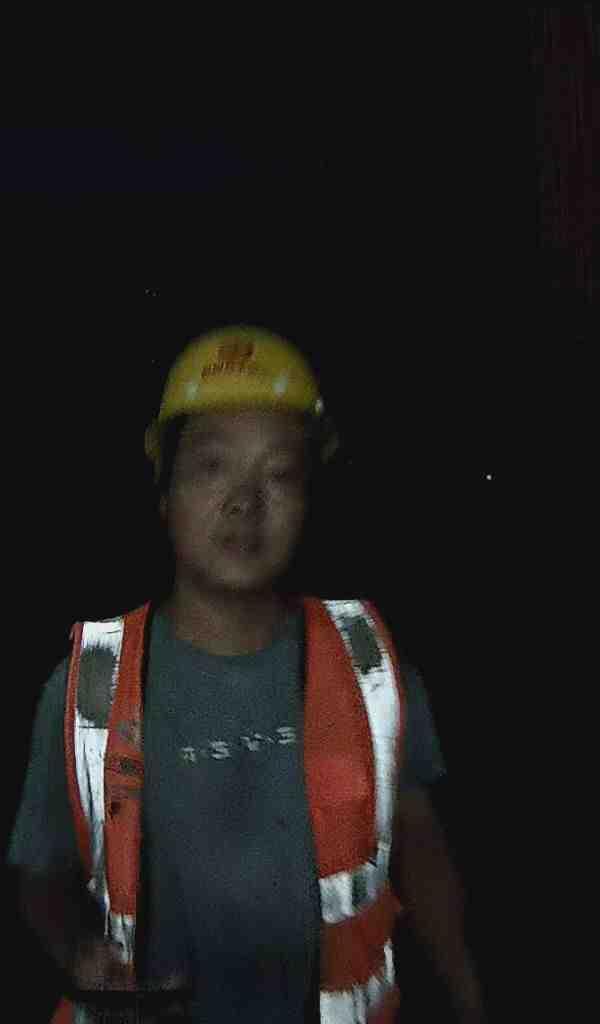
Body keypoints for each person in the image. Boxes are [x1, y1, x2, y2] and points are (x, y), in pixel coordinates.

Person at [6, 325, 488, 1023]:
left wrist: (469, 995)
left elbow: (423, 846)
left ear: (310, 498)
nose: (244, 500)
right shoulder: (90, 684)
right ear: (165, 494)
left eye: (279, 473)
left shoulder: (369, 665)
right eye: (212, 467)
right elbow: (39, 876)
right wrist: (78, 953)